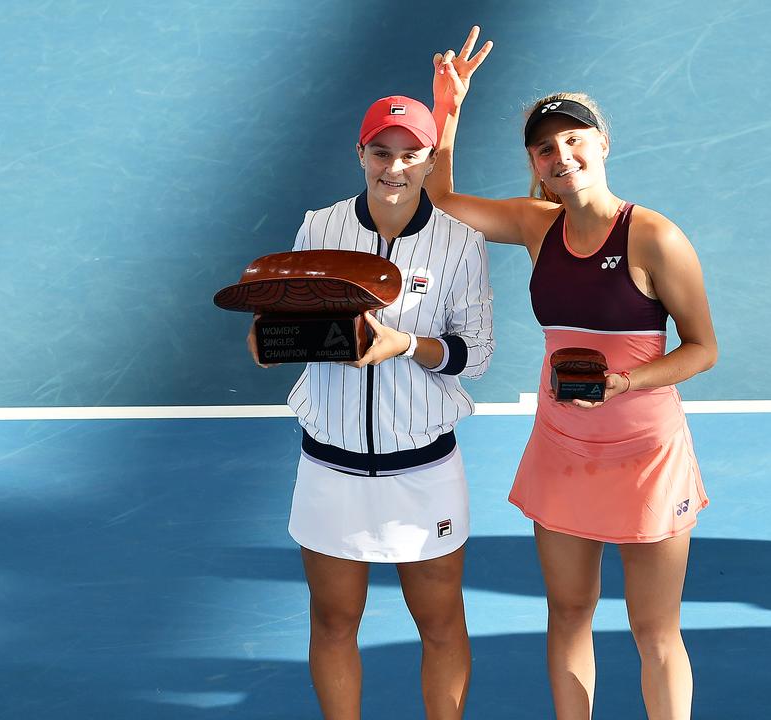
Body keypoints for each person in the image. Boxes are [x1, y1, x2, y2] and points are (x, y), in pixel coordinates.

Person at [425, 28, 718, 720]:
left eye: (574, 140)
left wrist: (628, 383)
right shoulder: (535, 226)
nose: (563, 155)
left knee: (654, 631)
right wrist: (449, 107)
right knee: (568, 613)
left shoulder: (655, 237)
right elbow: (438, 199)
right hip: (563, 449)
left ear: (602, 143)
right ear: (535, 161)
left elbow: (702, 348)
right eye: (547, 147)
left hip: (647, 455)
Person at [247, 94, 494, 720]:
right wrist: (271, 339)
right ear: (361, 153)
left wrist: (404, 345)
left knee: (441, 624)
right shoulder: (319, 226)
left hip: (424, 470)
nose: (396, 168)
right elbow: (296, 319)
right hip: (330, 465)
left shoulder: (459, 242)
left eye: (411, 155)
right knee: (333, 622)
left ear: (429, 160)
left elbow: (477, 353)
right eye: (382, 153)